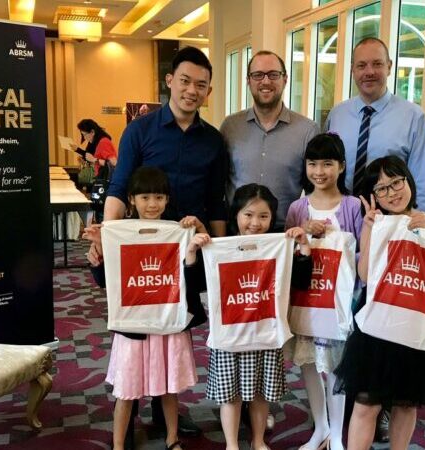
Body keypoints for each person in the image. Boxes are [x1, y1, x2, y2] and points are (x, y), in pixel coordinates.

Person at [334, 155, 425, 450]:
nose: (392, 192)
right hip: (381, 319)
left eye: (396, 182)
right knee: (366, 402)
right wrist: (369, 228)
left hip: (421, 318)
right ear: (373, 196)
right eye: (381, 188)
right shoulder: (377, 223)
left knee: (407, 401)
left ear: (408, 180)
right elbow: (366, 275)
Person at [84, 167, 208, 450]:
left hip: (168, 320)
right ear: (131, 200)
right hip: (133, 325)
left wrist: (197, 234)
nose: (152, 204)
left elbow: (194, 280)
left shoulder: (178, 231)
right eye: (145, 197)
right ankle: (118, 445)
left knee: (169, 386)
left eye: (159, 197)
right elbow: (109, 283)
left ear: (167, 200)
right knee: (126, 391)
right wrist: (99, 255)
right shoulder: (118, 234)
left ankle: (172, 438)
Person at [185, 184, 312, 450]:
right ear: (236, 215)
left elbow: (300, 282)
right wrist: (193, 253)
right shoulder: (220, 247)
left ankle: (257, 440)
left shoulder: (278, 245)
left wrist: (303, 248)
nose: (255, 223)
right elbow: (196, 284)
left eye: (263, 216)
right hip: (230, 334)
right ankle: (232, 444)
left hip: (265, 333)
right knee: (230, 397)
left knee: (260, 395)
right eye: (248, 215)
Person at [283, 132, 363, 450]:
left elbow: (361, 256)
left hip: (338, 303)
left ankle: (339, 437)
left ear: (341, 167)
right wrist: (301, 234)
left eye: (327, 163)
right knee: (309, 365)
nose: (319, 171)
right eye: (313, 163)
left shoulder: (352, 206)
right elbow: (285, 252)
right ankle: (321, 429)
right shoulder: (297, 207)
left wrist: (335, 236)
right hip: (305, 301)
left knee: (335, 368)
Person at [105, 46, 227, 238]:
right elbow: (119, 188)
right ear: (169, 80)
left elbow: (216, 202)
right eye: (185, 81)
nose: (192, 91)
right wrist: (108, 238)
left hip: (194, 241)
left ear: (208, 91)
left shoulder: (214, 140)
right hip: (148, 239)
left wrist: (221, 251)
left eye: (201, 85)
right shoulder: (138, 131)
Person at [326, 37, 425, 216]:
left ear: (389, 66)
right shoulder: (337, 115)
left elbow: (422, 180)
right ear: (352, 69)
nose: (369, 72)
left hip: (388, 222)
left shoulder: (413, 117)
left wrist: (423, 227)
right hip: (340, 220)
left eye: (377, 64)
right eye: (361, 65)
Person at [221, 50, 320, 229]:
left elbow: (316, 189)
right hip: (237, 234)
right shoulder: (230, 126)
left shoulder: (308, 130)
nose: (266, 81)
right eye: (258, 75)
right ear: (248, 81)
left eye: (273, 75)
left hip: (285, 235)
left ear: (285, 79)